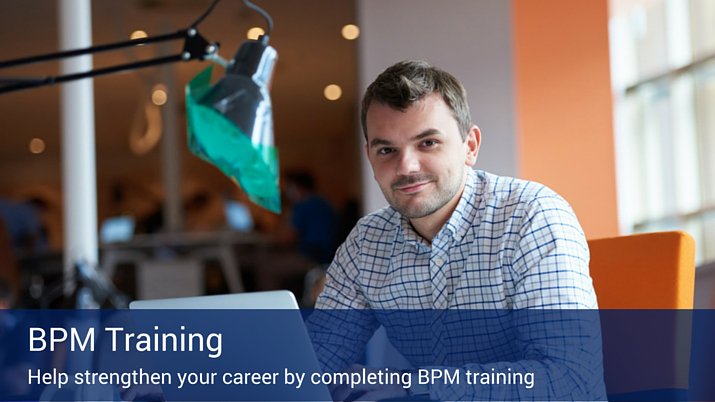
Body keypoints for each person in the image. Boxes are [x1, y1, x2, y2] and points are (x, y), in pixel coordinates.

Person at [310, 60, 605, 400]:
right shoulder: (367, 243)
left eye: (428, 143)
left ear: (470, 146)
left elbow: (568, 380)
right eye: (386, 150)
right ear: (369, 156)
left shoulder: (532, 215)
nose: (406, 166)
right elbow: (316, 361)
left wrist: (414, 386)